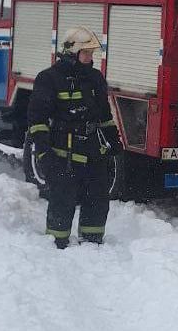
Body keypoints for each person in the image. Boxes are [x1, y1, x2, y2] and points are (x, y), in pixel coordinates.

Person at [28, 27, 122, 249]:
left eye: (91, 54)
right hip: (63, 153)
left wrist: (113, 140)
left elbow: (105, 116)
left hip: (92, 150)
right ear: (72, 53)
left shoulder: (95, 78)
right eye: (85, 53)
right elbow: (37, 120)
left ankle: (92, 243)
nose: (90, 58)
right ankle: (56, 244)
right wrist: (43, 152)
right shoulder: (49, 78)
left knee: (98, 197)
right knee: (63, 199)